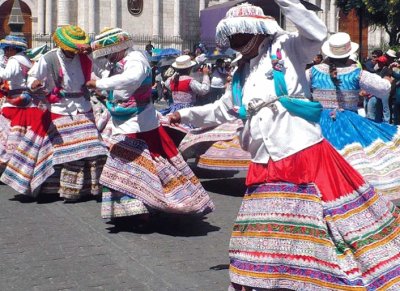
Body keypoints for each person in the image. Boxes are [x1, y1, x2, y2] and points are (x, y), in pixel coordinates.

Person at [169, 2, 400, 290]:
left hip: (300, 150)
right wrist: (184, 114)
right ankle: (265, 277)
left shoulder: (288, 48)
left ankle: (312, 276)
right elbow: (223, 109)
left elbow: (316, 33)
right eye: (232, 40)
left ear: (257, 31)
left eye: (241, 38)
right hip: (264, 159)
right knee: (261, 226)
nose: (237, 45)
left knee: (319, 221)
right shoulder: (241, 72)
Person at [86, 28, 214, 221]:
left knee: (141, 167)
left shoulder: (136, 59)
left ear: (119, 48)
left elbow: (132, 79)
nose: (108, 58)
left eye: (109, 53)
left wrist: (100, 85)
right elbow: (104, 76)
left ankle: (144, 210)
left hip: (140, 124)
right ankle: (133, 210)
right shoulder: (118, 63)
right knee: (126, 167)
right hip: (124, 121)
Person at [1, 25, 109, 201]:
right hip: (59, 108)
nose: (74, 53)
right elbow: (33, 77)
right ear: (63, 46)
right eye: (71, 49)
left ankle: (87, 188)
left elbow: (104, 69)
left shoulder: (86, 57)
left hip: (83, 106)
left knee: (94, 148)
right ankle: (57, 189)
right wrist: (34, 83)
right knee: (67, 153)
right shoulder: (48, 58)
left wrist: (94, 52)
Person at [307, 32, 400, 201]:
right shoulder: (357, 73)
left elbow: (295, 90)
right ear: (349, 54)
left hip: (316, 122)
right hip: (348, 121)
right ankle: (350, 197)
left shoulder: (312, 71)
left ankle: (321, 194)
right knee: (353, 161)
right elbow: (384, 89)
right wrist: (388, 76)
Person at [0, 35, 44, 172]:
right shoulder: (27, 60)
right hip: (28, 99)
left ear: (13, 49)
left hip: (15, 100)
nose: (6, 51)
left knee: (6, 128)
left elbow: (6, 75)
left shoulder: (14, 60)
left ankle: (6, 158)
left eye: (7, 49)